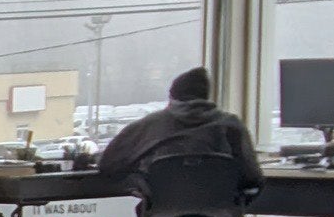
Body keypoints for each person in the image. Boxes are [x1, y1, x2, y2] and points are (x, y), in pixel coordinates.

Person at [98, 68, 263, 205]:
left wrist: (141, 180)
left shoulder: (150, 125)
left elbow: (108, 165)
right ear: (206, 96)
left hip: (160, 216)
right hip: (220, 216)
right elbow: (253, 178)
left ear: (172, 96)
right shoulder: (231, 126)